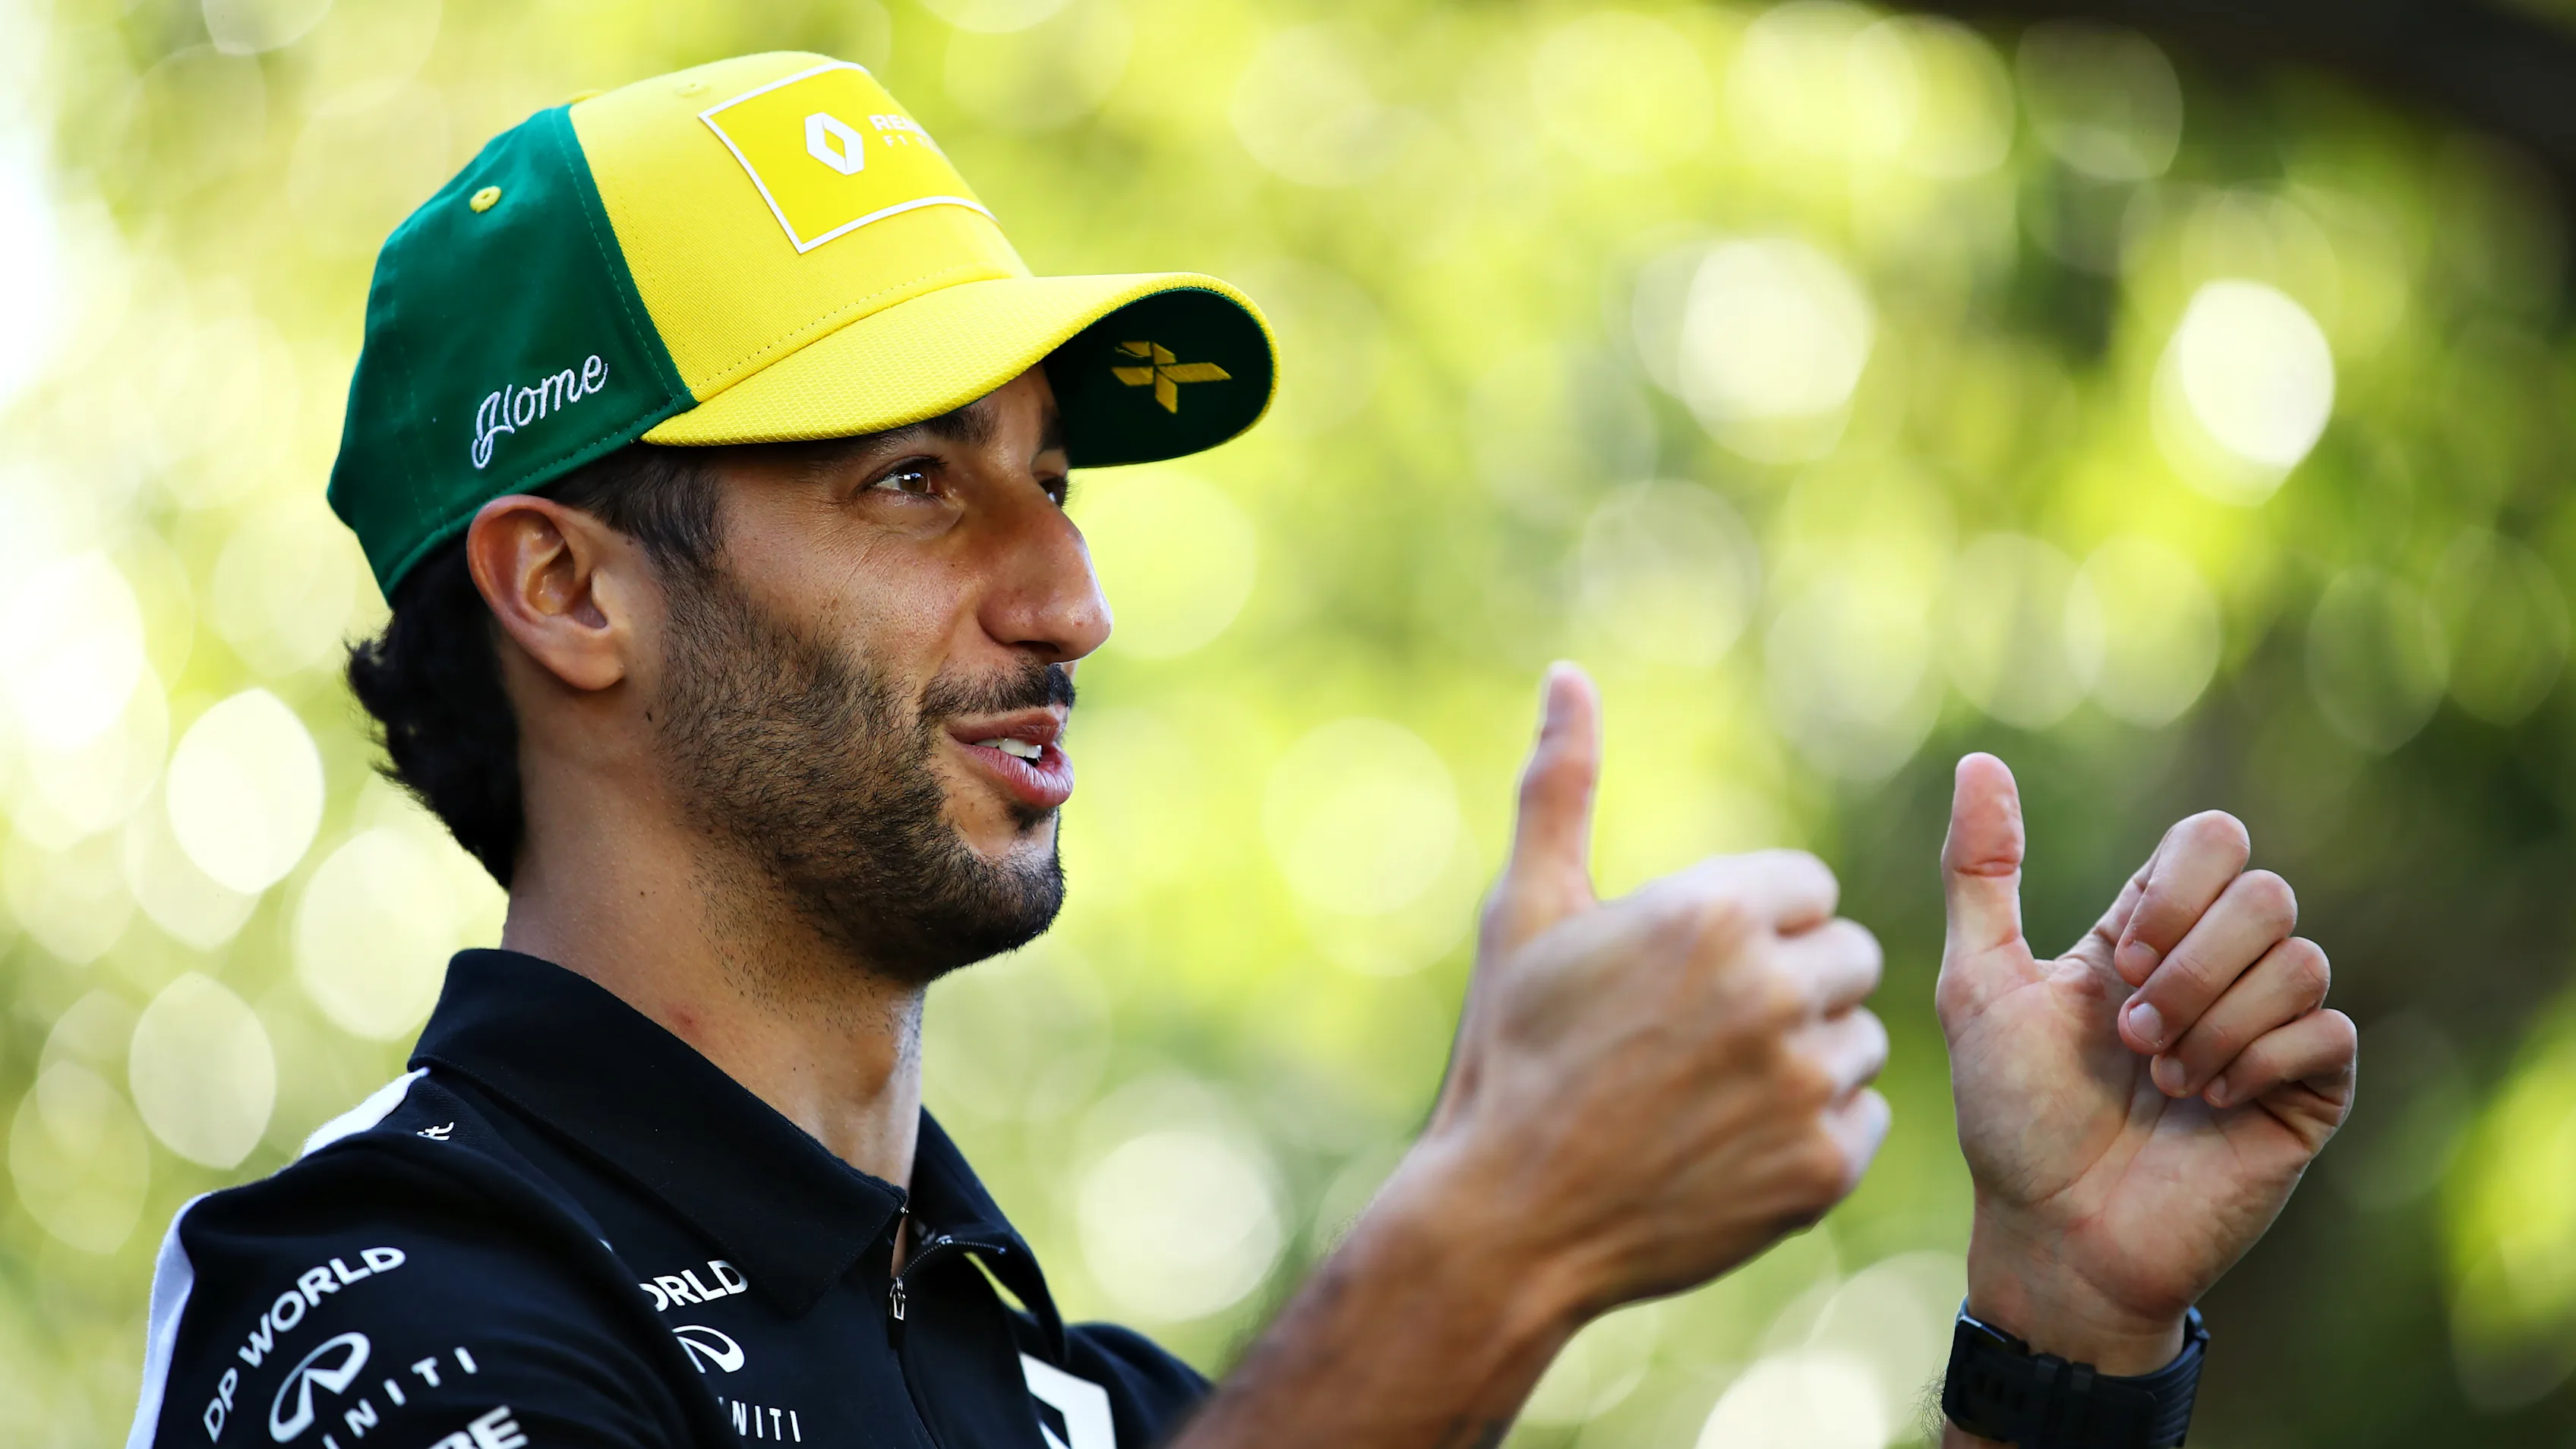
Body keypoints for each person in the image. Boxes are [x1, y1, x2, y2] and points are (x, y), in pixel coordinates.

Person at [123, 52, 2357, 1449]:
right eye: (916, 481)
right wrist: (1479, 1245)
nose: (1069, 599)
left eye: (1058, 480)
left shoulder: (1087, 1403)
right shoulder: (375, 1324)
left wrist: (2058, 1337)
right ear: (567, 588)